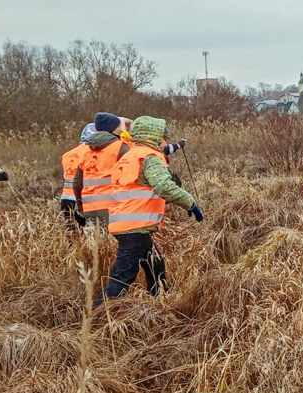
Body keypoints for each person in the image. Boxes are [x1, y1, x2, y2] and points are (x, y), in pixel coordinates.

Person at [97, 116, 201, 306]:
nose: (166, 142)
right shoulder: (150, 158)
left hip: (125, 224)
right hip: (134, 227)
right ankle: (97, 316)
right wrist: (190, 203)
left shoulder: (130, 154)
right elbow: (164, 187)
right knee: (122, 278)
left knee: (155, 263)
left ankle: (158, 300)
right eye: (164, 137)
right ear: (154, 137)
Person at [73, 112, 128, 227]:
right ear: (111, 129)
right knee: (113, 243)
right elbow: (128, 177)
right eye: (118, 127)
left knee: (95, 242)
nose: (121, 129)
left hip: (89, 207)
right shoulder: (120, 147)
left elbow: (77, 183)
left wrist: (80, 206)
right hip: (113, 206)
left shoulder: (85, 151)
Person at [61, 123, 94, 227]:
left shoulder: (67, 154)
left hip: (66, 199)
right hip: (82, 199)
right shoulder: (92, 153)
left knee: (72, 234)